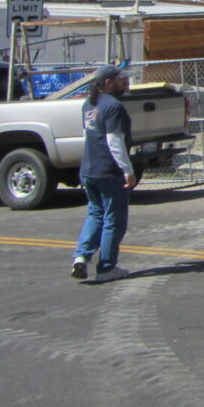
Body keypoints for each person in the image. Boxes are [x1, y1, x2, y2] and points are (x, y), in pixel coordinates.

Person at [71, 64, 137, 283]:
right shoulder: (113, 106)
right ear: (109, 83)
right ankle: (107, 267)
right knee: (113, 220)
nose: (125, 83)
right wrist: (128, 170)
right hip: (109, 171)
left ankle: (81, 257)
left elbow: (87, 136)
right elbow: (114, 141)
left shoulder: (88, 104)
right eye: (121, 80)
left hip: (89, 169)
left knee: (95, 213)